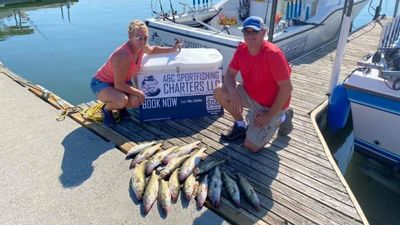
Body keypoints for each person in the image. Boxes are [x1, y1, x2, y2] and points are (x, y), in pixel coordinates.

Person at [213, 16, 293, 153]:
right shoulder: (242, 49)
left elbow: (287, 89)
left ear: (264, 32)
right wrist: (234, 94)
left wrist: (268, 116)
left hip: (270, 106)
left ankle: (282, 116)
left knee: (251, 146)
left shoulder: (273, 55)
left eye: (254, 32)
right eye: (246, 32)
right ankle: (240, 124)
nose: (250, 36)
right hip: (251, 94)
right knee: (219, 90)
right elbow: (229, 75)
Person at [90, 20, 182, 126]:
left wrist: (172, 49)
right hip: (101, 83)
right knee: (122, 100)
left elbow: (152, 50)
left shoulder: (141, 46)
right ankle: (107, 109)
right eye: (138, 37)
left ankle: (120, 107)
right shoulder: (123, 55)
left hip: (121, 82)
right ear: (130, 36)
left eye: (145, 38)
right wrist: (139, 92)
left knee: (135, 101)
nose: (142, 41)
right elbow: (119, 85)